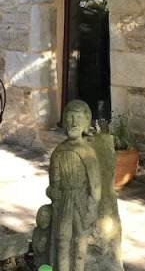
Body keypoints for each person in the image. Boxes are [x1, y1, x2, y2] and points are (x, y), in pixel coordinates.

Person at [47, 100, 102, 271]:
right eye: (70, 117)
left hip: (81, 203)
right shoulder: (58, 152)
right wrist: (52, 192)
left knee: (80, 245)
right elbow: (53, 183)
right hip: (64, 203)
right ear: (64, 120)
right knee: (63, 243)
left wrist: (92, 211)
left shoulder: (87, 153)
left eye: (78, 117)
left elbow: (95, 186)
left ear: (86, 122)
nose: (73, 122)